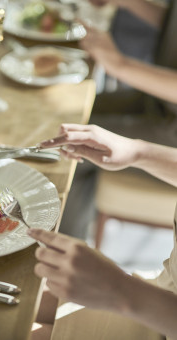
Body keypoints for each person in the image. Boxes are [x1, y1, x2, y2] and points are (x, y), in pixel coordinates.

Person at [30, 123, 177, 340]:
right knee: (9, 300)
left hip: (159, 314)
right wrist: (137, 152)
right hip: (163, 294)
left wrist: (120, 290)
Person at [60, 0, 177, 239]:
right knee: (69, 115)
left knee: (72, 148)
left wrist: (119, 65)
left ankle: (62, 253)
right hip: (160, 102)